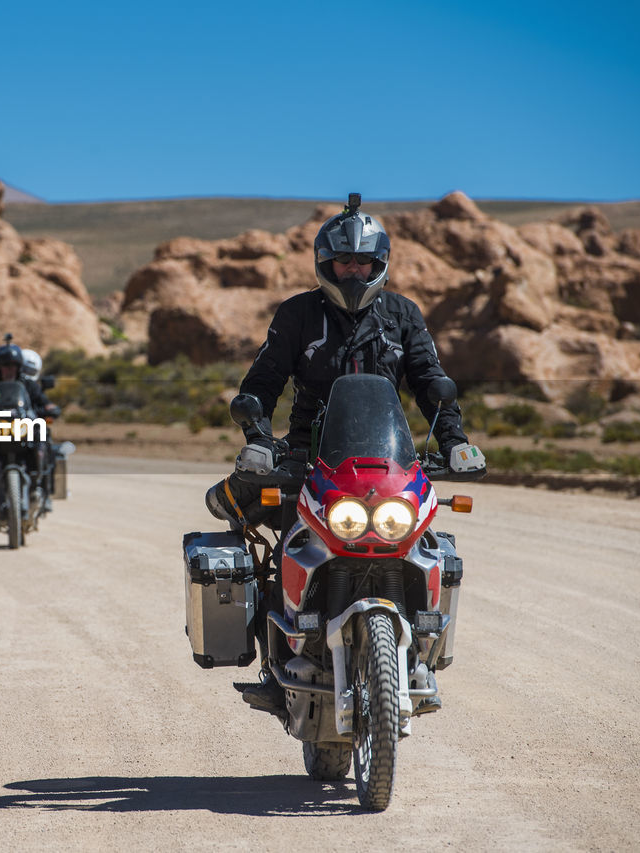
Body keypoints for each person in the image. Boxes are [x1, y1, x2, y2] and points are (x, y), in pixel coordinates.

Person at [207, 193, 484, 714]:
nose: (354, 271)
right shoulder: (297, 314)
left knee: (426, 542)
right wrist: (259, 439)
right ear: (324, 263)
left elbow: (430, 381)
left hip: (385, 459)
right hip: (310, 458)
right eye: (344, 261)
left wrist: (455, 441)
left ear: (380, 264)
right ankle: (276, 660)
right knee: (284, 540)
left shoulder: (403, 314)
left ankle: (421, 647)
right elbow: (263, 382)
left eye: (364, 261)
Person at [0, 337, 60, 549]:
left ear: (19, 367)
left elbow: (44, 402)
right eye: (5, 366)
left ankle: (45, 486)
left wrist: (49, 409)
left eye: (13, 366)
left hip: (23, 434)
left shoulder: (29, 387)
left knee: (45, 438)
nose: (9, 370)